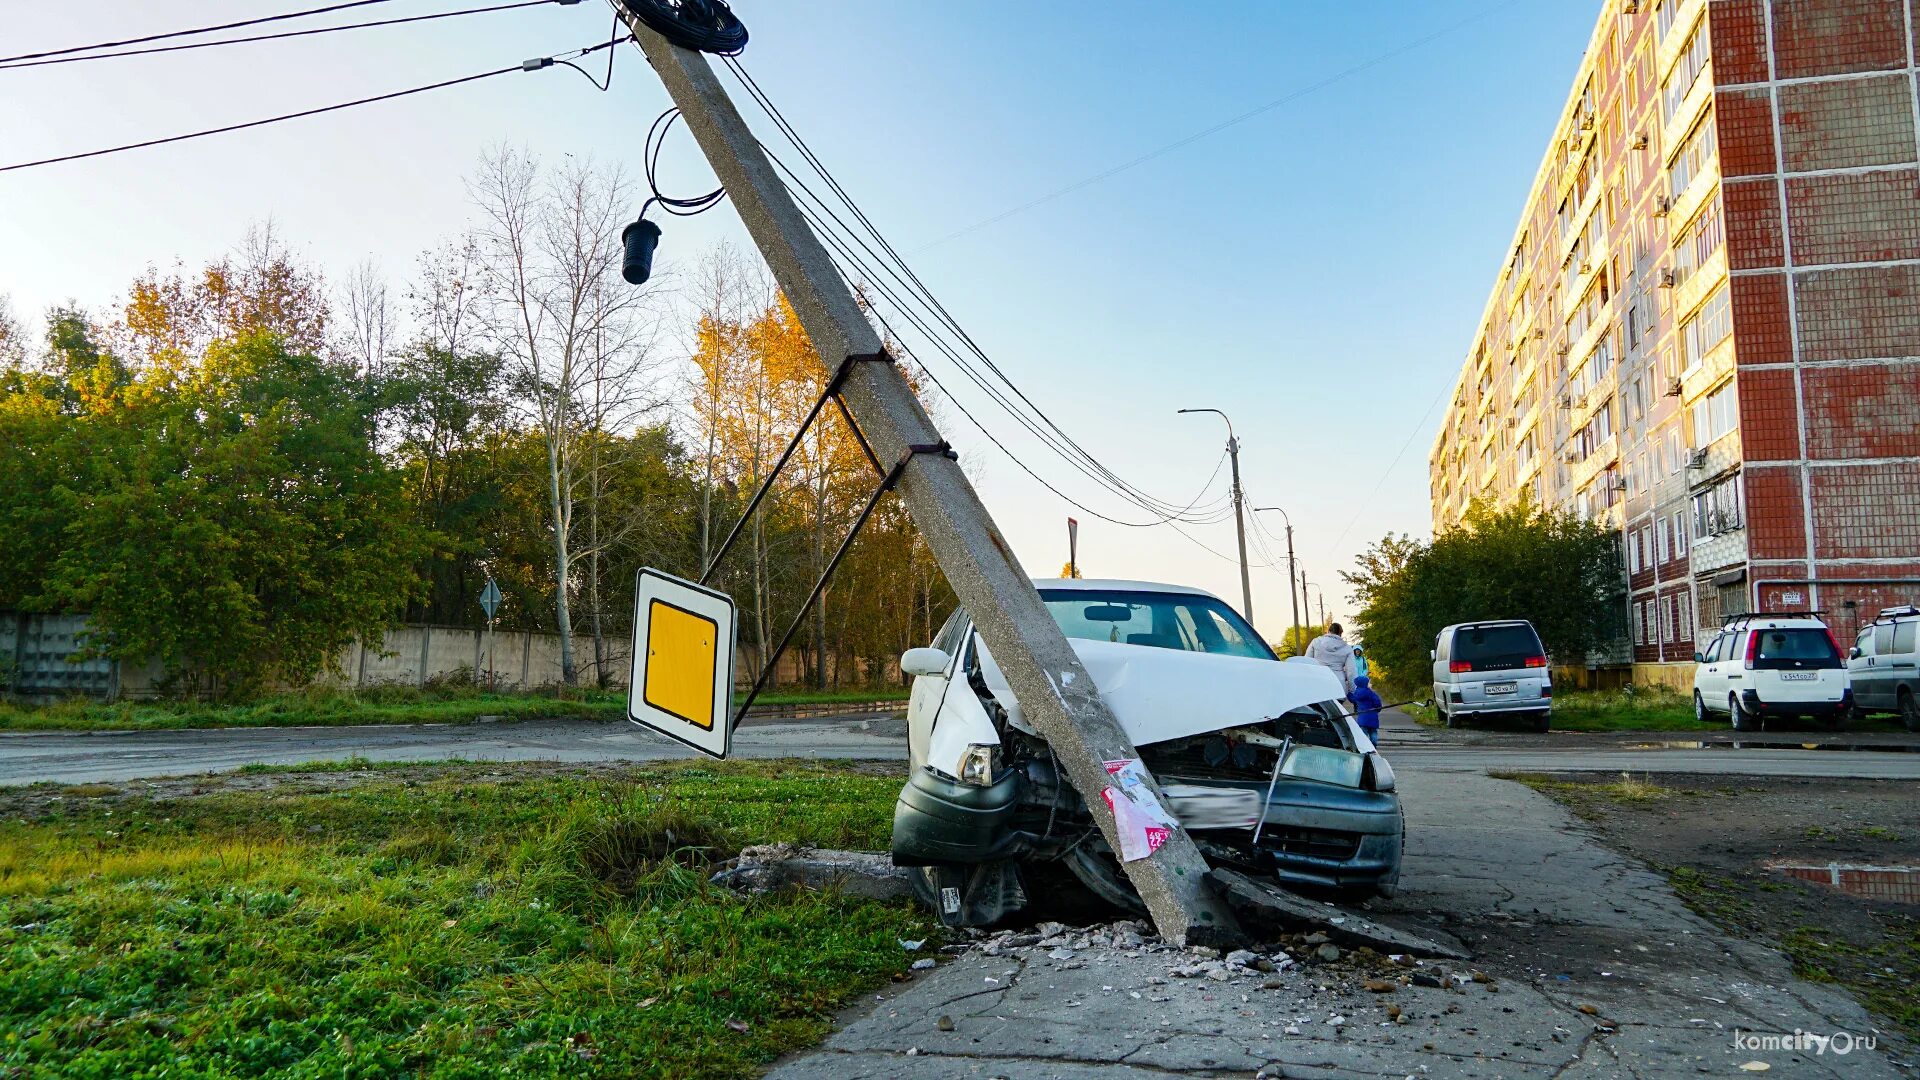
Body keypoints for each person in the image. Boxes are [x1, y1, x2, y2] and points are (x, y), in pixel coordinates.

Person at [1305, 623, 1355, 695]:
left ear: (1328, 631)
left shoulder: (1316, 642)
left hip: (1318, 684)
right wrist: (1352, 690)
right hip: (1338, 686)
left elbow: (1307, 662)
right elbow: (1351, 671)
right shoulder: (1347, 648)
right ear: (1340, 633)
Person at [1349, 674, 1383, 747]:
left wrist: (1348, 694)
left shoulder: (1357, 693)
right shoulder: (1371, 693)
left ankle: (1364, 745)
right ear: (1365, 684)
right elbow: (1377, 702)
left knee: (1363, 732)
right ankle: (1373, 743)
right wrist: (1378, 708)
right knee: (1373, 731)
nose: (1370, 684)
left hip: (1363, 716)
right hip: (1373, 716)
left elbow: (1353, 699)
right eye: (1369, 683)